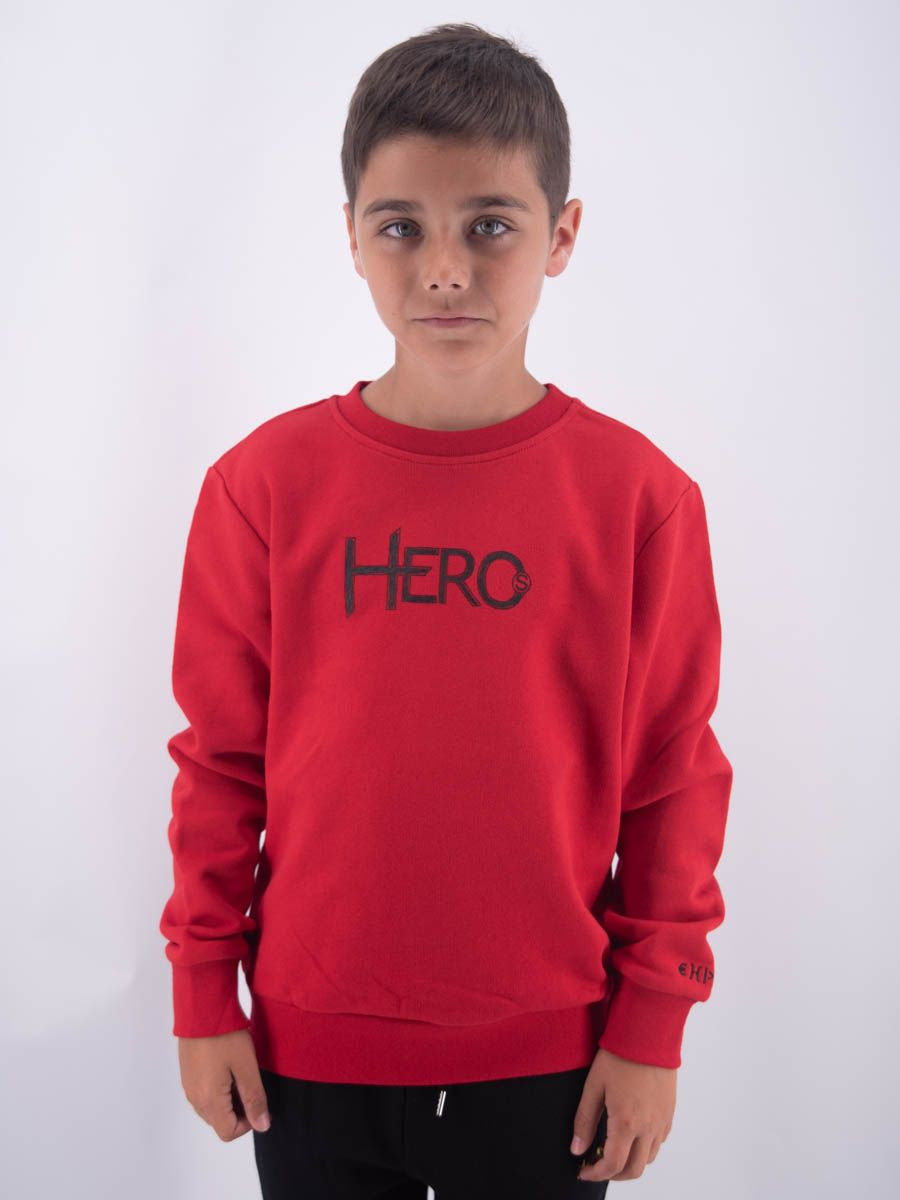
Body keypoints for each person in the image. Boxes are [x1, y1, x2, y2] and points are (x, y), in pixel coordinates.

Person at [158, 21, 733, 1200]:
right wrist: (204, 992)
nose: (444, 269)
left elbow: (672, 777)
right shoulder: (260, 488)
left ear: (561, 234)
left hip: (552, 1064)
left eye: (490, 225)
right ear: (352, 238)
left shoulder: (641, 501)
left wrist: (653, 1026)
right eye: (401, 227)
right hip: (308, 1057)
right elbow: (220, 763)